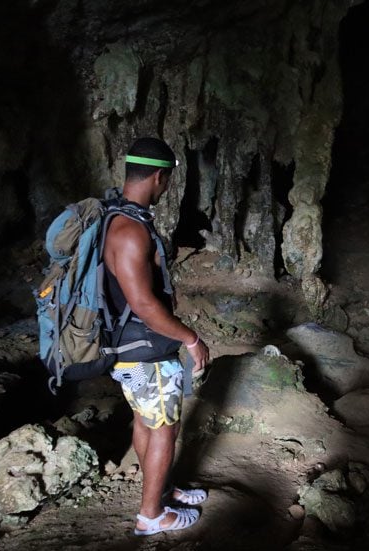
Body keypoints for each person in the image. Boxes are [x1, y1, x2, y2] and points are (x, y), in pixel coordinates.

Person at [103, 137, 211, 536]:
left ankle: (161, 488)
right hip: (144, 347)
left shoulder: (116, 217)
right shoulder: (130, 231)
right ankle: (152, 515)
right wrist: (191, 338)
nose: (166, 189)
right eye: (168, 182)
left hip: (129, 344)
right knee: (165, 427)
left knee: (146, 421)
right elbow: (145, 304)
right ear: (160, 177)